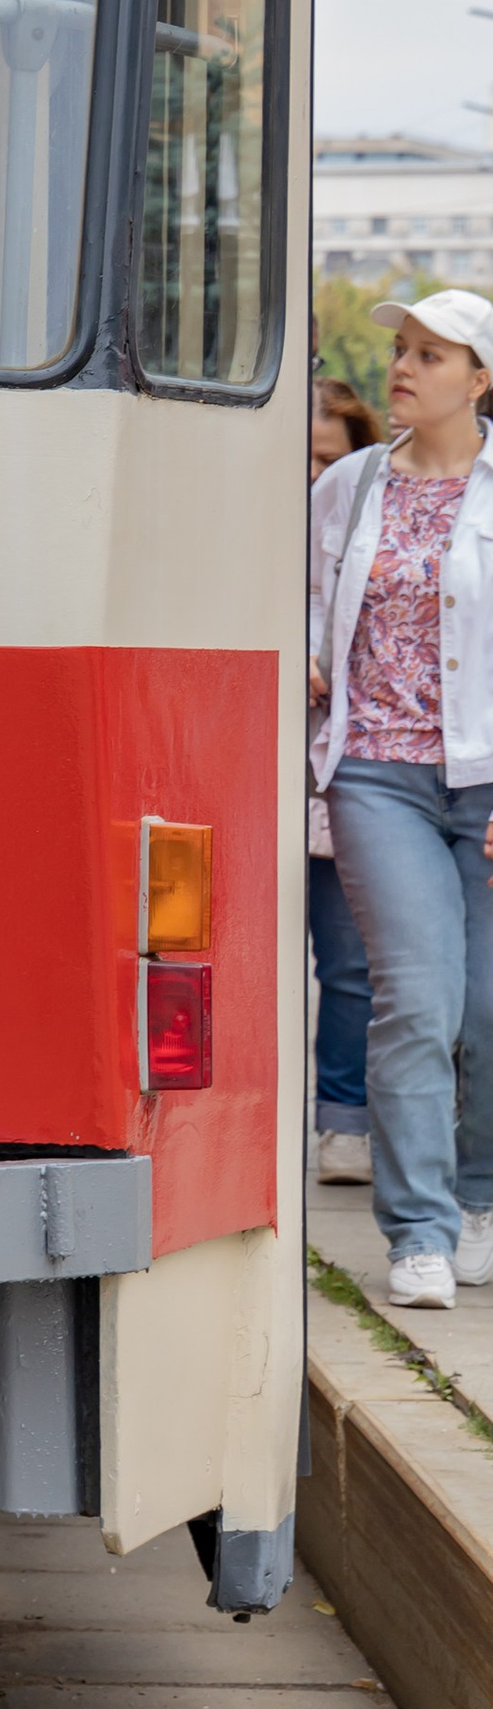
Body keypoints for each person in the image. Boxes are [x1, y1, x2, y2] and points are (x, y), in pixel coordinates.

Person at [310, 294, 493, 1308]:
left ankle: (479, 1198)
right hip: (377, 771)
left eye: (431, 354)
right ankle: (417, 1229)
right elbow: (297, 589)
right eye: (397, 349)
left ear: (478, 381)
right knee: (415, 1004)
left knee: (485, 1012)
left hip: (486, 776)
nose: (403, 367)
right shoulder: (347, 485)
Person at [308, 375, 383, 1186]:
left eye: (326, 460)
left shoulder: (369, 524)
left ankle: (344, 1121)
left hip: (337, 772)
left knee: (349, 962)